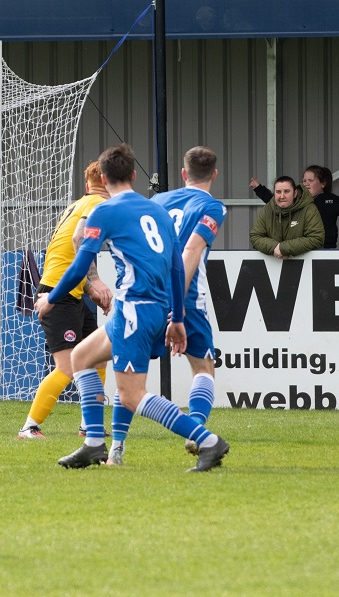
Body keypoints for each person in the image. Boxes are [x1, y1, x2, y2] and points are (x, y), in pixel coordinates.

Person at [34, 143, 230, 473]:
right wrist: (178, 318)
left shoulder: (105, 211)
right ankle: (94, 443)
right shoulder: (156, 211)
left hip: (134, 310)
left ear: (104, 177)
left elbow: (81, 263)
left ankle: (208, 441)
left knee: (131, 396)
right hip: (155, 308)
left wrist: (50, 299)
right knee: (81, 357)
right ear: (135, 175)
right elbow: (177, 268)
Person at [106, 146, 227, 465]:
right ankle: (198, 432)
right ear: (214, 174)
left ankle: (114, 448)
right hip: (183, 296)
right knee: (203, 367)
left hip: (142, 296)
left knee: (124, 372)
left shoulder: (156, 201)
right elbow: (189, 253)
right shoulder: (212, 207)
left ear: (184, 174)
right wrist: (178, 307)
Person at [17, 161, 113, 439]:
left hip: (71, 291)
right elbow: (79, 242)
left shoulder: (79, 203)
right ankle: (29, 427)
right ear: (108, 182)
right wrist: (94, 281)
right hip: (58, 293)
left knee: (98, 359)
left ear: (88, 184)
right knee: (67, 367)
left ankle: (89, 425)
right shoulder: (97, 204)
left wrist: (88, 287)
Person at [250, 166, 339, 248]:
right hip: (302, 249)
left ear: (323, 183)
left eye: (310, 181)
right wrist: (259, 189)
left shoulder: (332, 200)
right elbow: (275, 201)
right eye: (304, 181)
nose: (306, 184)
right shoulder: (297, 199)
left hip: (326, 249)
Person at [249, 175, 324, 258]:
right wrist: (274, 247)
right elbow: (255, 236)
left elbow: (316, 238)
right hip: (272, 266)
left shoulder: (309, 209)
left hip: (303, 267)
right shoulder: (268, 209)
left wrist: (284, 248)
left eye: (286, 191)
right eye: (278, 192)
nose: (282, 196)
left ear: (295, 193)